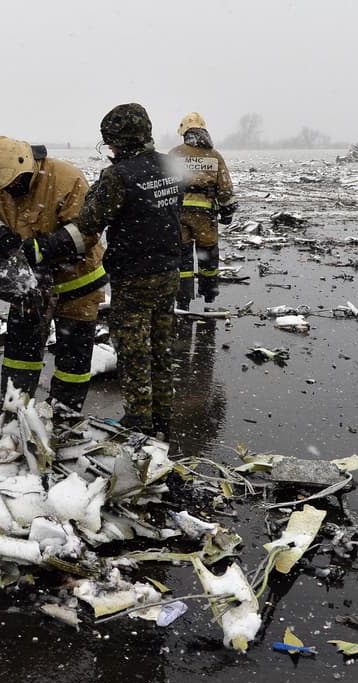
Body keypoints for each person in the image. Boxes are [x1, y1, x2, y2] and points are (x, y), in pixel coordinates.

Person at [35, 103, 181, 434]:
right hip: (169, 270)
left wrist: (47, 247)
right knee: (160, 345)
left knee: (132, 349)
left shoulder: (119, 176)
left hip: (135, 275)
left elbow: (90, 221)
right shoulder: (170, 165)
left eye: (110, 141)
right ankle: (163, 415)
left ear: (119, 140)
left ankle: (139, 420)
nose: (110, 148)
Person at [0, 137, 106, 413]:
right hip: (29, 286)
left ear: (28, 166)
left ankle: (64, 411)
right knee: (20, 351)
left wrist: (42, 248)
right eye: (5, 187)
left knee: (73, 355)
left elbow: (86, 230)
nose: (11, 191)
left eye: (15, 184)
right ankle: (15, 407)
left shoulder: (67, 179)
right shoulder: (2, 184)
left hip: (77, 282)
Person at [167, 112, 235, 306]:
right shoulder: (214, 156)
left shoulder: (174, 154)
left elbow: (164, 183)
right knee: (208, 256)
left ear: (184, 132)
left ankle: (183, 299)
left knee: (183, 258)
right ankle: (209, 294)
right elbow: (225, 187)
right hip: (205, 216)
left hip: (179, 214)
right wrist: (227, 210)